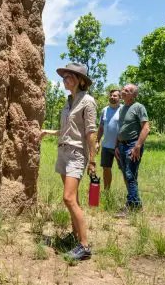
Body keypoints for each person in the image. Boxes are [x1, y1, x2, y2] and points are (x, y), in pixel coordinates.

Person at [40, 62, 98, 261]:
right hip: (63, 151)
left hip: (76, 154)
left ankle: (84, 246)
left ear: (81, 81)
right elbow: (67, 130)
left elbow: (90, 132)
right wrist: (48, 132)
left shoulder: (88, 101)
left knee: (68, 198)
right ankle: (74, 236)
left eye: (70, 76)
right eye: (64, 76)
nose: (65, 79)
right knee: (73, 198)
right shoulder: (68, 101)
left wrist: (92, 160)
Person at [114, 84, 150, 217]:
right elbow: (121, 128)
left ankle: (131, 206)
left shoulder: (139, 107)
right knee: (127, 175)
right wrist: (117, 146)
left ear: (134, 95)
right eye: (123, 89)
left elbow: (146, 128)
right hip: (122, 146)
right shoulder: (123, 108)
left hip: (133, 145)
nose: (123, 92)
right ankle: (137, 205)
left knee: (130, 176)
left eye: (127, 91)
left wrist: (137, 146)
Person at [94, 89, 122, 191]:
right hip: (106, 146)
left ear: (120, 98)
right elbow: (101, 127)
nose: (112, 97)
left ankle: (131, 195)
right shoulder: (105, 110)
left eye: (115, 96)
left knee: (124, 170)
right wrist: (97, 141)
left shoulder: (123, 110)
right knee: (106, 168)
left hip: (120, 146)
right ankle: (106, 191)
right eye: (111, 95)